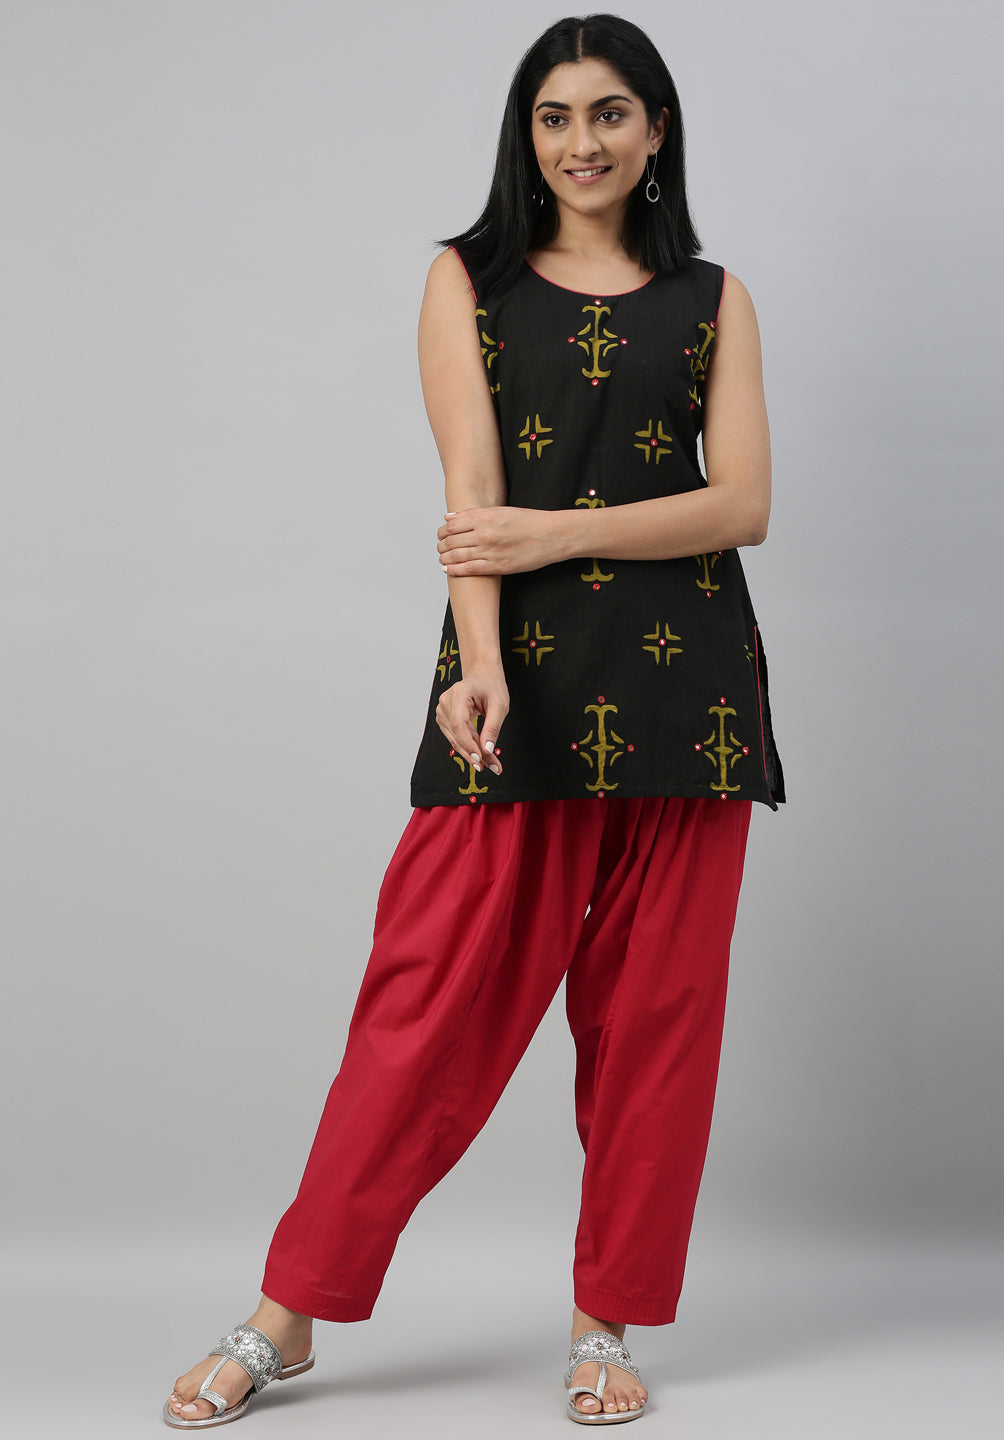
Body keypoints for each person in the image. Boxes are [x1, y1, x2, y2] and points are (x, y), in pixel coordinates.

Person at [164, 11, 784, 1429]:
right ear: (527, 135)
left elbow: (742, 504)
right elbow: (471, 496)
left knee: (654, 1023)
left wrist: (552, 534)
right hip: (521, 682)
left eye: (610, 113)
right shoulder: (470, 280)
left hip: (688, 698)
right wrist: (480, 661)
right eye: (555, 117)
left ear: (657, 131)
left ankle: (605, 1323)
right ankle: (289, 1311)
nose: (582, 142)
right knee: (424, 1006)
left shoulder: (714, 297)